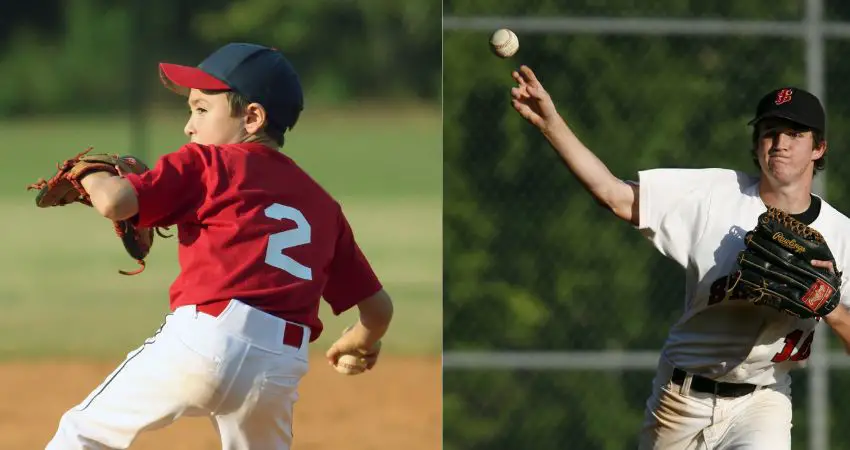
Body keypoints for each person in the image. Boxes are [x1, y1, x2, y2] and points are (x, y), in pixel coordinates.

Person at [46, 42, 394, 450]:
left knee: (84, 432)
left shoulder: (208, 163)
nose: (189, 127)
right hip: (279, 366)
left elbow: (115, 202)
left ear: (251, 117)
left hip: (204, 340)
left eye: (201, 109)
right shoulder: (323, 204)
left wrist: (88, 173)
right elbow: (378, 309)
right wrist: (360, 341)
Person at [509, 64, 850, 449]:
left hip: (763, 402)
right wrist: (551, 123)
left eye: (794, 133)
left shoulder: (841, 237)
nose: (780, 143)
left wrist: (832, 309)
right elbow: (613, 194)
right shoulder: (713, 196)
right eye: (769, 133)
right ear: (757, 146)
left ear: (818, 148)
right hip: (681, 400)